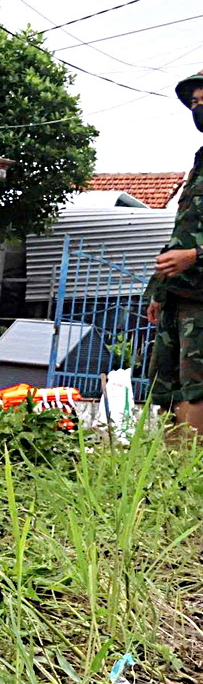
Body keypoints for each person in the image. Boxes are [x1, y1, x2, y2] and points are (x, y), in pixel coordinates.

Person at [145, 69, 203, 438]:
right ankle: (167, 467)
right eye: (195, 102)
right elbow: (181, 232)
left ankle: (190, 467)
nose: (198, 108)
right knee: (166, 387)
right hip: (178, 293)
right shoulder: (199, 163)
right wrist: (158, 290)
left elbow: (189, 247)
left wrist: (196, 256)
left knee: (197, 386)